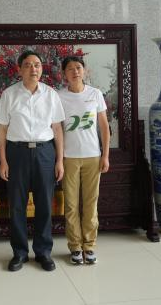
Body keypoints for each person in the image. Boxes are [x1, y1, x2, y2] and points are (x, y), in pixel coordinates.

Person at [0, 50, 65, 272]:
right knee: (17, 205)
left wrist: (59, 161)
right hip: (17, 153)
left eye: (37, 65)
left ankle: (43, 252)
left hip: (45, 152)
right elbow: (2, 130)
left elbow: (57, 129)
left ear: (41, 68)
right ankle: (19, 253)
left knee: (45, 204)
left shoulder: (51, 94)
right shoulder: (9, 94)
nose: (33, 68)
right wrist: (3, 160)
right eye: (28, 65)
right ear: (19, 69)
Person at [58, 56, 110, 265]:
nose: (75, 72)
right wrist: (59, 159)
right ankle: (75, 247)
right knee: (71, 205)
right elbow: (57, 129)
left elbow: (104, 127)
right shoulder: (59, 96)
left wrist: (105, 155)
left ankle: (89, 246)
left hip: (92, 156)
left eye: (78, 68)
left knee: (90, 203)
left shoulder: (95, 94)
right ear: (64, 74)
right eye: (70, 69)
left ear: (85, 71)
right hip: (69, 158)